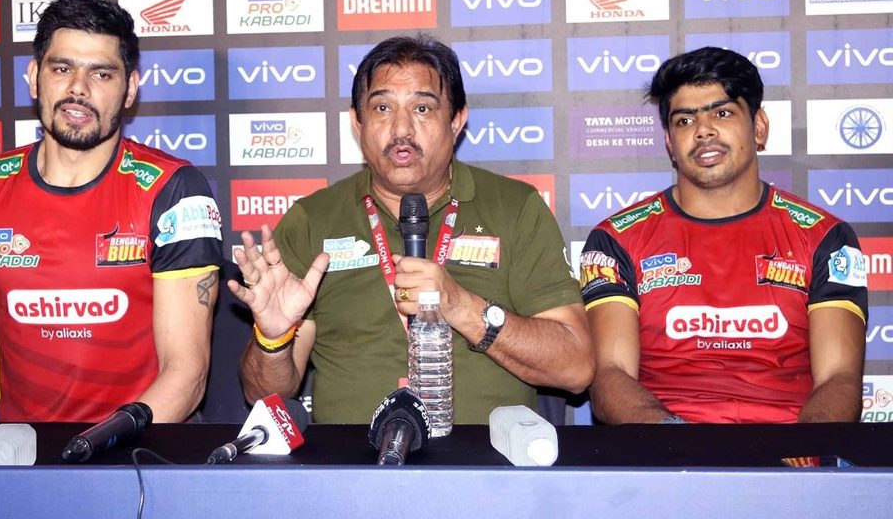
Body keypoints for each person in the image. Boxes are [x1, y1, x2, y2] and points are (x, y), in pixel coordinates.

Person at [230, 35, 593, 424]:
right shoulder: (312, 219)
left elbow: (575, 367)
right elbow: (263, 394)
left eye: (422, 108)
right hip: (350, 473)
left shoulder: (515, 207)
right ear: (358, 121)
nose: (401, 129)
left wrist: (459, 305)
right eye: (383, 107)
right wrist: (273, 339)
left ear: (457, 120)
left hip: (486, 468)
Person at [0, 0, 223, 423]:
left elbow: (187, 371)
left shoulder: (172, 189)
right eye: (62, 68)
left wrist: (97, 457)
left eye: (101, 73)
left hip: (138, 457)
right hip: (21, 458)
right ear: (34, 78)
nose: (78, 89)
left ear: (130, 90)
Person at [579, 46, 868, 424]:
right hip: (666, 456)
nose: (703, 131)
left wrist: (800, 470)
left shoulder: (825, 237)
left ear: (759, 126)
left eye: (722, 112)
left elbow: (839, 379)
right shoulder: (616, 240)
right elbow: (610, 375)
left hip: (789, 459)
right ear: (669, 142)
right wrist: (683, 451)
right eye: (684, 121)